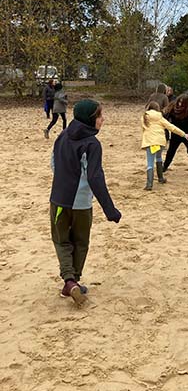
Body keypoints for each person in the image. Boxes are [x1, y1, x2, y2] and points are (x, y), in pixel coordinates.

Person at [49, 99, 121, 305]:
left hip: (58, 200)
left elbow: (53, 164)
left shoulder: (61, 136)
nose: (103, 119)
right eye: (99, 116)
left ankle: (69, 283)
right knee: (80, 242)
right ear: (90, 119)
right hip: (81, 203)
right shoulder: (92, 144)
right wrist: (110, 210)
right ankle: (73, 281)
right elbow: (95, 177)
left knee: (62, 241)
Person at [141, 101, 188, 190]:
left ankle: (149, 184)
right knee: (159, 157)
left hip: (150, 142)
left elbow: (144, 128)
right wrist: (183, 134)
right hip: (160, 142)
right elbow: (171, 127)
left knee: (150, 163)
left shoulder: (144, 117)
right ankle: (160, 178)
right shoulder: (160, 117)